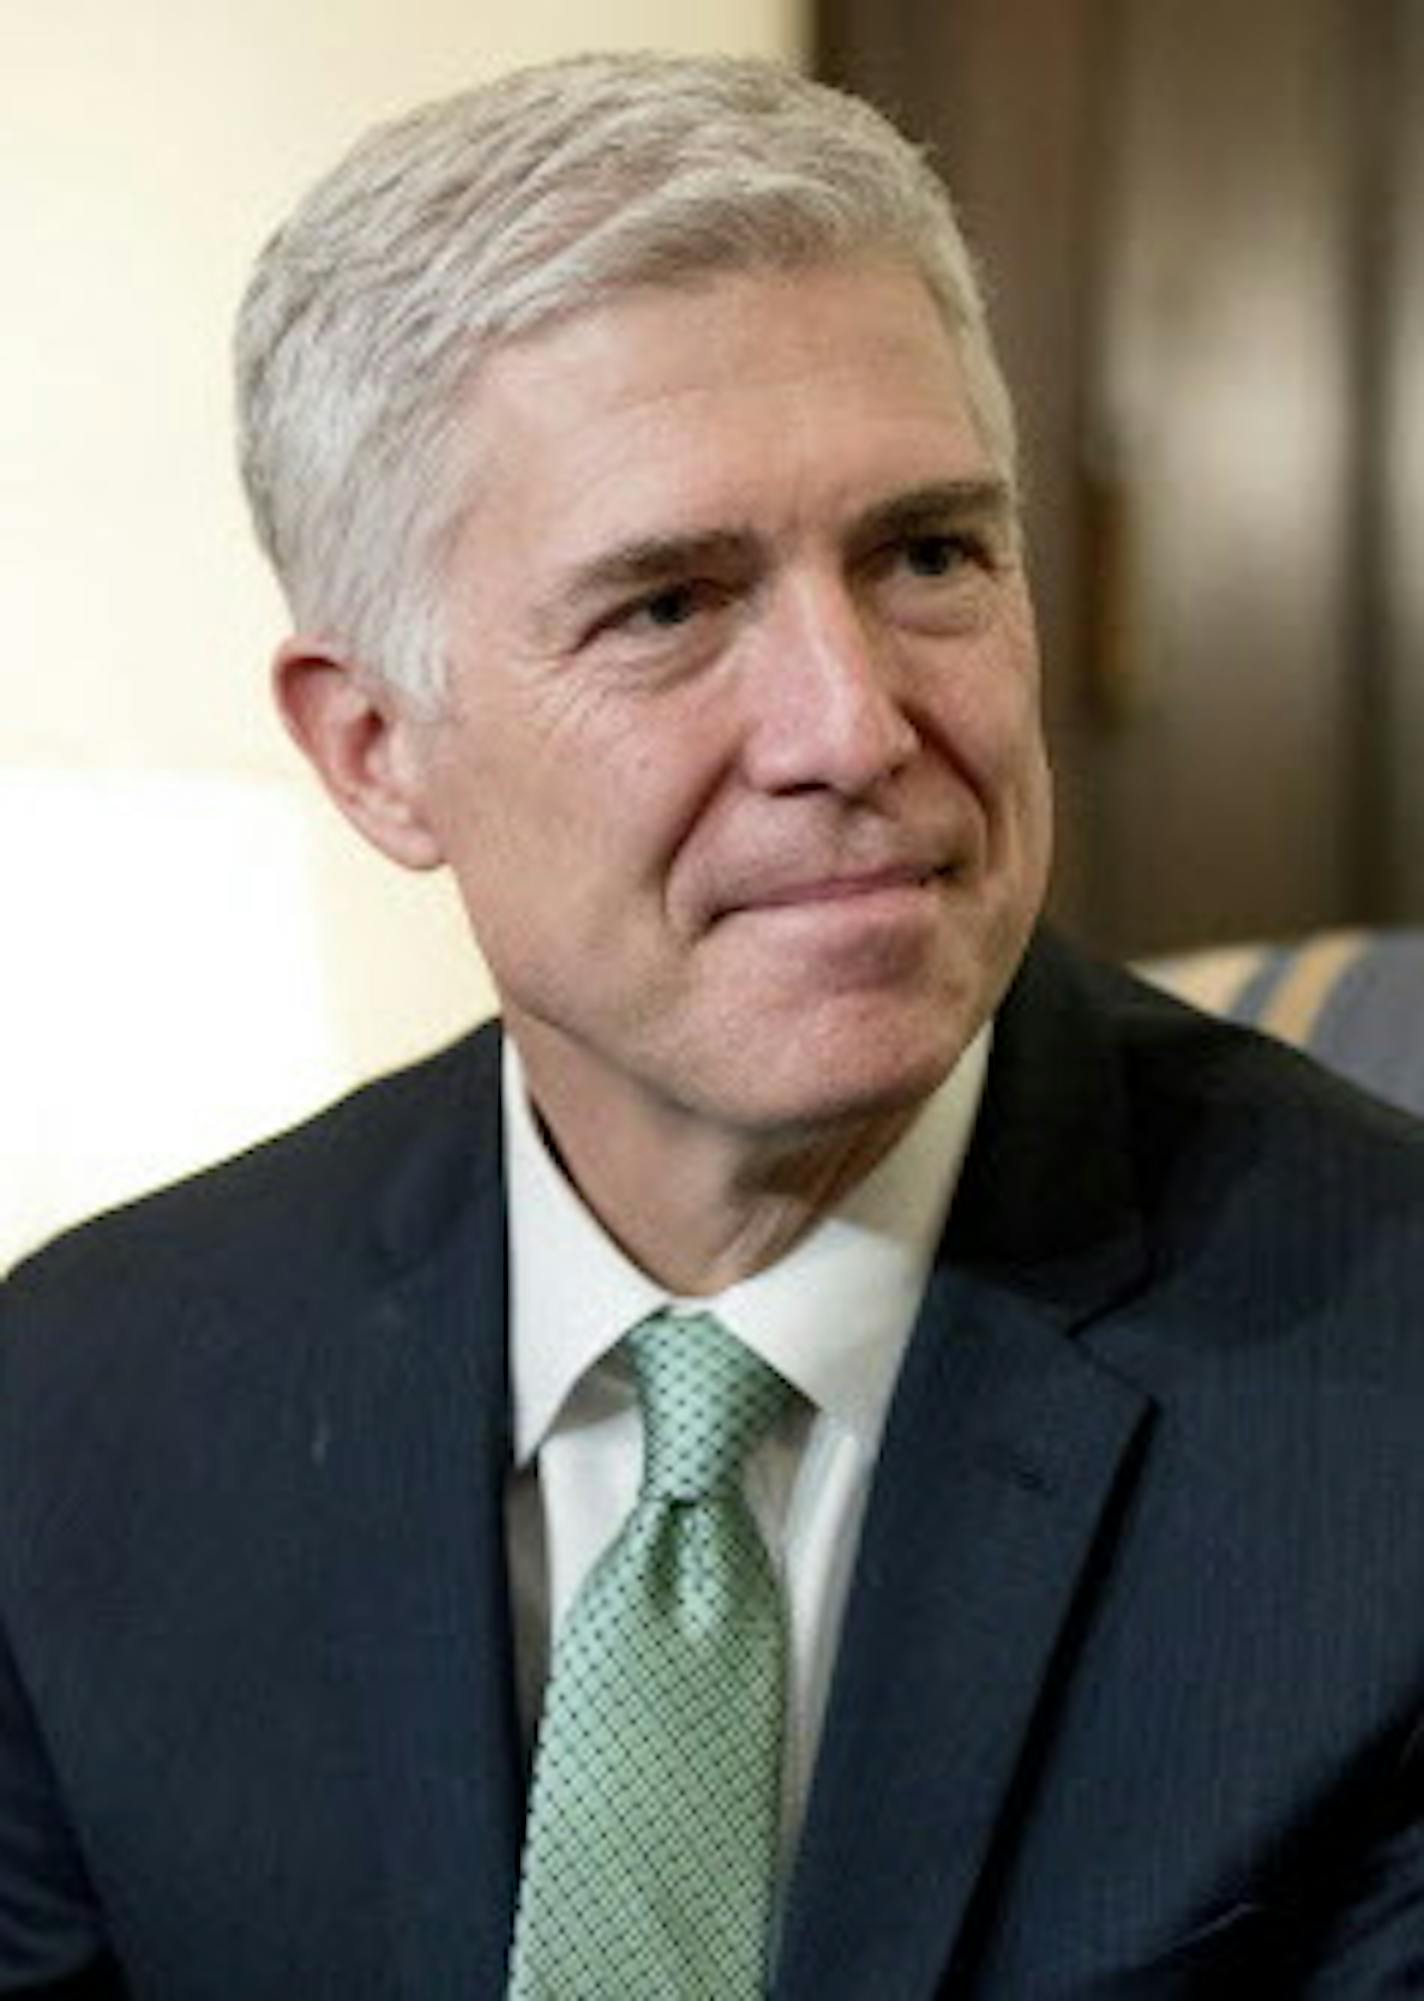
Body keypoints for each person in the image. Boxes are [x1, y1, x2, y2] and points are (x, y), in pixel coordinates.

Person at [3, 50, 1424, 2001]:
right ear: (373, 750)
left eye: (927, 553)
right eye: (667, 604)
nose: (851, 728)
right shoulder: (80, 1404)